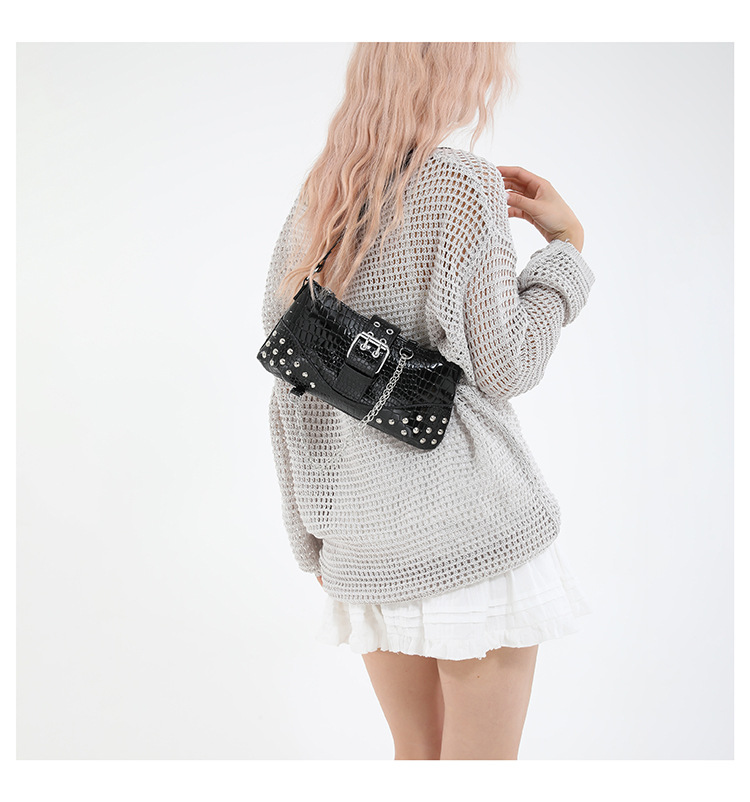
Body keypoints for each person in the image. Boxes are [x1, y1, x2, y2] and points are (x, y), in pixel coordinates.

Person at [260, 42, 595, 760]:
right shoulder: (460, 186)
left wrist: (309, 538)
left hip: (362, 541)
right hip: (470, 531)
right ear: (460, 71)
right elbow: (506, 364)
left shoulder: (322, 195)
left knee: (417, 755)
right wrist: (566, 250)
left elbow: (291, 382)